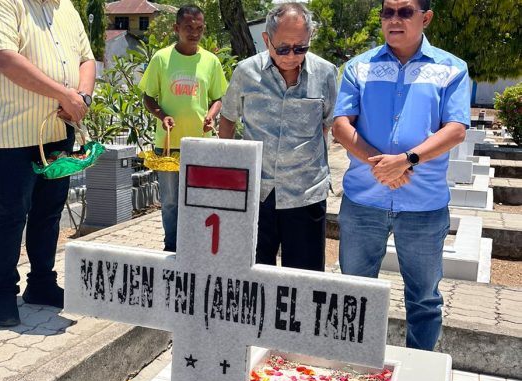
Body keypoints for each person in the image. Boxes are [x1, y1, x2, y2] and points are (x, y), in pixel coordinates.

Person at [333, 0, 470, 350]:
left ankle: (419, 374)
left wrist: (407, 160)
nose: (394, 19)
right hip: (364, 201)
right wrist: (381, 164)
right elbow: (340, 125)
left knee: (424, 300)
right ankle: (355, 365)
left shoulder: (451, 69)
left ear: (425, 18)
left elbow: (455, 129)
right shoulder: (358, 67)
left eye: (405, 12)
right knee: (354, 294)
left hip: (423, 207)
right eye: (387, 12)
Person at [0, 0, 95, 326]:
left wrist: (81, 98)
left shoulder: (65, 7)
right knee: (11, 214)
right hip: (14, 133)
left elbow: (86, 58)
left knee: (49, 210)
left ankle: (41, 283)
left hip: (58, 127)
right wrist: (63, 94)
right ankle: (3, 293)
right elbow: (4, 58)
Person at [219, 2, 337, 271]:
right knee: (253, 279)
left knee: (305, 282)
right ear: (266, 39)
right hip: (255, 195)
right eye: (283, 48)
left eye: (301, 47)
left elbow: (327, 125)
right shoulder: (246, 72)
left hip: (305, 193)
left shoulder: (326, 73)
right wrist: (228, 173)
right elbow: (227, 119)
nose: (292, 56)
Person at [139, 5, 228, 252]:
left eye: (199, 28)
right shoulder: (161, 58)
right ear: (176, 28)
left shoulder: (211, 61)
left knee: (200, 199)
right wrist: (162, 115)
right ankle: (172, 248)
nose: (194, 33)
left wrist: (211, 115)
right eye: (188, 27)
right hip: (168, 146)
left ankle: (197, 248)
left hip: (202, 144)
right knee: (170, 202)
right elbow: (148, 96)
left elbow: (218, 97)